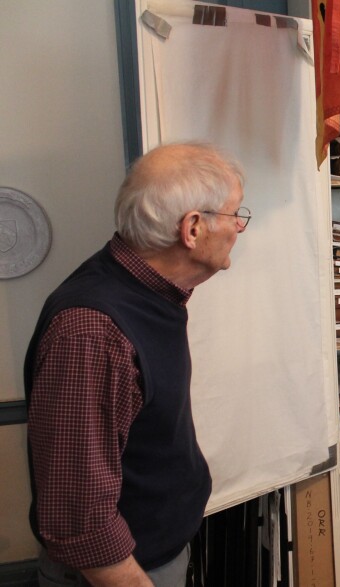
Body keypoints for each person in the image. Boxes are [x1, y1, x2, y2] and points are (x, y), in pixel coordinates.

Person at [24, 142, 249, 587]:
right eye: (234, 214)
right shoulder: (93, 332)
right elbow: (80, 523)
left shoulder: (149, 292)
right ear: (193, 229)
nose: (240, 227)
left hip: (153, 554)